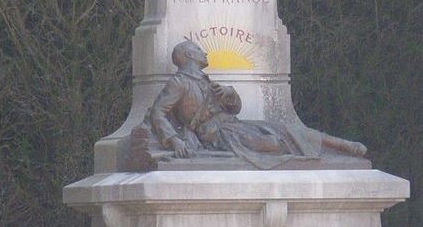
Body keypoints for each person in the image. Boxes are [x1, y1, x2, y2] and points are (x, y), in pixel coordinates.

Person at [145, 40, 367, 169]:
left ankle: (344, 147)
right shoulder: (179, 82)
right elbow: (158, 111)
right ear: (190, 54)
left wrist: (229, 94)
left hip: (235, 125)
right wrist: (173, 140)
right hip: (219, 136)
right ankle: (322, 155)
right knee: (274, 144)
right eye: (200, 50)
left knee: (288, 130)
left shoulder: (206, 81)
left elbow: (235, 109)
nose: (206, 52)